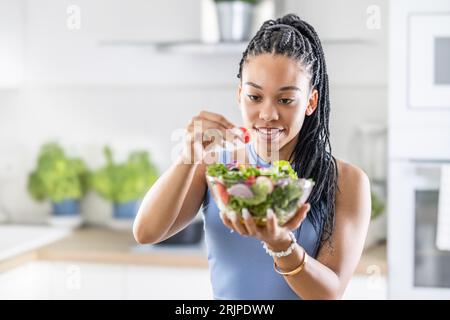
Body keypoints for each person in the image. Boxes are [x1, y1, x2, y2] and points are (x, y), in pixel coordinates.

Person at [133, 13, 371, 300]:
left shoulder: (346, 181)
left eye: (285, 100)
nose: (268, 114)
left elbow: (328, 294)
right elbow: (146, 233)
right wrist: (187, 157)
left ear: (310, 102)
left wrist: (281, 244)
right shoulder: (214, 167)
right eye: (255, 97)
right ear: (239, 95)